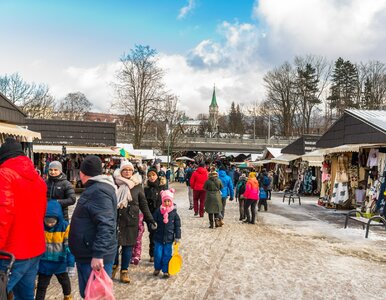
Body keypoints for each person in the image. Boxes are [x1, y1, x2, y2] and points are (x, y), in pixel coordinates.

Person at [0, 138, 47, 300]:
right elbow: (40, 214)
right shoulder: (39, 180)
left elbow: (2, 216)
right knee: (25, 296)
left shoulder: (4, 175)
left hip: (9, 253)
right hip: (34, 249)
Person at [69, 155, 117, 299]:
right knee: (90, 294)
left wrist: (98, 254)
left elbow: (106, 224)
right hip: (89, 253)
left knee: (94, 295)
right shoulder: (97, 189)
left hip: (92, 256)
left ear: (83, 173)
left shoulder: (98, 191)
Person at [112, 161, 157, 283]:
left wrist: (150, 220)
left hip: (131, 221)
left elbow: (144, 205)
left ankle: (124, 271)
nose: (127, 172)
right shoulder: (114, 184)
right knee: (114, 246)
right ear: (120, 171)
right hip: (116, 220)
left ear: (133, 171)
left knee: (128, 247)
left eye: (129, 170)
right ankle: (113, 266)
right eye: (125, 170)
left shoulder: (137, 186)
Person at [35, 200, 75, 300]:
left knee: (65, 282)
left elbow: (69, 246)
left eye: (52, 222)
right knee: (42, 286)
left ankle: (68, 296)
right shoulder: (40, 226)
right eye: (47, 221)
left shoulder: (64, 227)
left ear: (58, 218)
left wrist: (70, 264)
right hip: (44, 263)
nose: (49, 225)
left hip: (60, 263)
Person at [152, 189, 181, 278]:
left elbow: (177, 226)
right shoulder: (158, 211)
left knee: (167, 255)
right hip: (158, 238)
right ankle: (157, 268)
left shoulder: (174, 213)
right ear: (162, 201)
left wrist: (177, 237)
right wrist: (153, 225)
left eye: (169, 201)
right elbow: (153, 221)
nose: (167, 203)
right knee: (158, 254)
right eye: (165, 201)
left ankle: (165, 270)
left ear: (171, 201)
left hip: (169, 238)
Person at [144, 167, 166, 262]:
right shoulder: (146, 188)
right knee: (152, 235)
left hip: (161, 214)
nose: (151, 177)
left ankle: (160, 254)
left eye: (153, 175)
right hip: (150, 215)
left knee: (161, 235)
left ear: (157, 175)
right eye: (149, 176)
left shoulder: (162, 186)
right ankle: (152, 254)